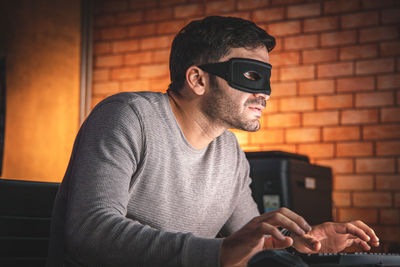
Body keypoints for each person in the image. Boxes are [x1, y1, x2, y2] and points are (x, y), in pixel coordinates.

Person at [47, 16, 380, 267]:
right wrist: (219, 252)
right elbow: (89, 234)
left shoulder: (229, 151)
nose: (263, 92)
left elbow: (251, 242)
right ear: (198, 79)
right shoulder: (127, 117)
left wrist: (300, 241)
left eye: (266, 78)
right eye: (250, 76)